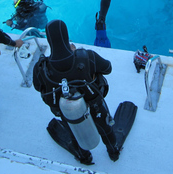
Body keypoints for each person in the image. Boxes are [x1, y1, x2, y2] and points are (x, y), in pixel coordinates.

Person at [32, 19, 120, 164]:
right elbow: (108, 68)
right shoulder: (87, 57)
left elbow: (38, 87)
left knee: (74, 131)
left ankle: (85, 157)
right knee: (105, 127)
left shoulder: (41, 68)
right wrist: (75, 53)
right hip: (94, 105)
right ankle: (113, 151)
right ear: (66, 37)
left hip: (66, 111)